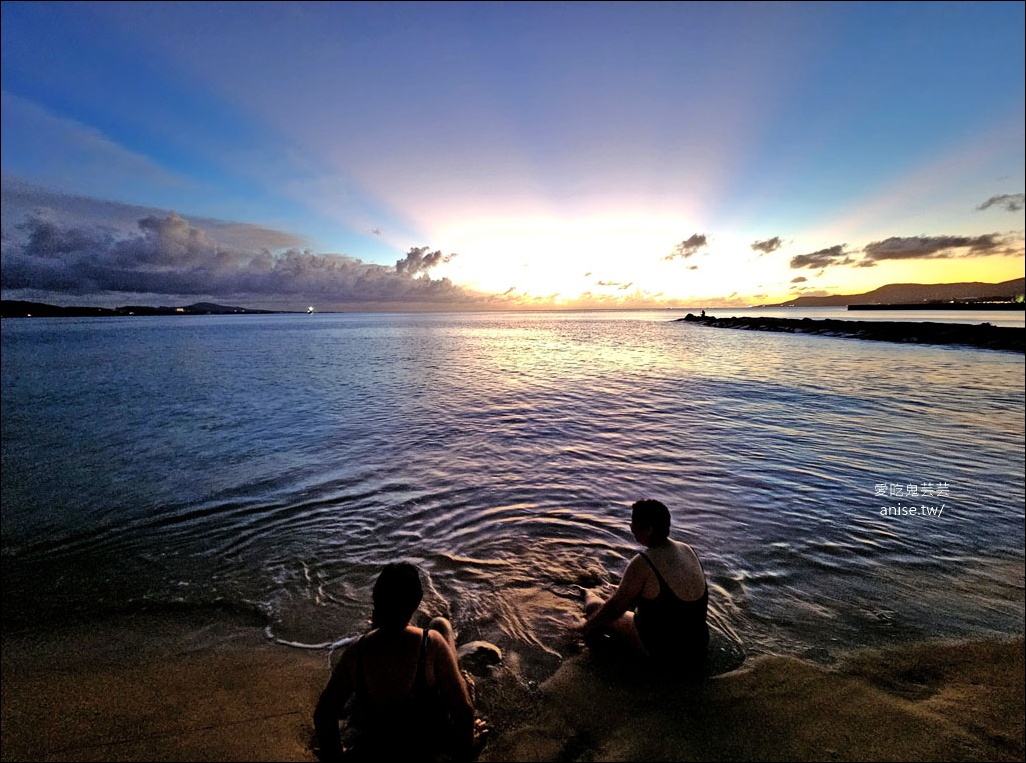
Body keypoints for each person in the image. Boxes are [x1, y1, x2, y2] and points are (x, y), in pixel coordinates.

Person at [313, 562, 477, 761]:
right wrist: (464, 749)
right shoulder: (431, 643)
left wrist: (338, 757)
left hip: (376, 745)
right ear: (416, 601)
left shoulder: (356, 650)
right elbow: (464, 711)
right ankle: (457, 672)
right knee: (441, 624)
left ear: (376, 598)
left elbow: (324, 714)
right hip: (426, 745)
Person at [572, 499, 709, 674]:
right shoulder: (687, 549)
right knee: (621, 595)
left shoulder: (643, 562)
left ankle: (584, 591)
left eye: (633, 524)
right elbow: (670, 595)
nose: (631, 528)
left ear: (648, 530)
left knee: (596, 608)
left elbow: (615, 608)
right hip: (698, 645)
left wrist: (585, 627)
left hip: (665, 652)